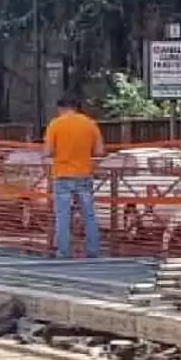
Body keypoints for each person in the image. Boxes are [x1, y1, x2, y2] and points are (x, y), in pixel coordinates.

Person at [43, 97, 104, 258]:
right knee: (89, 214)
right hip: (84, 174)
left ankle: (63, 252)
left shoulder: (55, 124)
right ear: (76, 107)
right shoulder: (90, 124)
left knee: (62, 215)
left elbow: (48, 151)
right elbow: (99, 151)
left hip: (62, 174)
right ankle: (93, 251)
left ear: (61, 108)